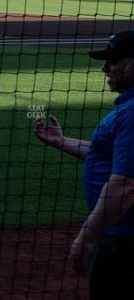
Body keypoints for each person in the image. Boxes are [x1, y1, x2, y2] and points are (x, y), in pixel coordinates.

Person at [35, 31, 134, 298]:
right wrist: (61, 141)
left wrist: (87, 236)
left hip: (124, 242)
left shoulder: (132, 113)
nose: (105, 68)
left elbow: (125, 185)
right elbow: (114, 157)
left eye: (113, 61)